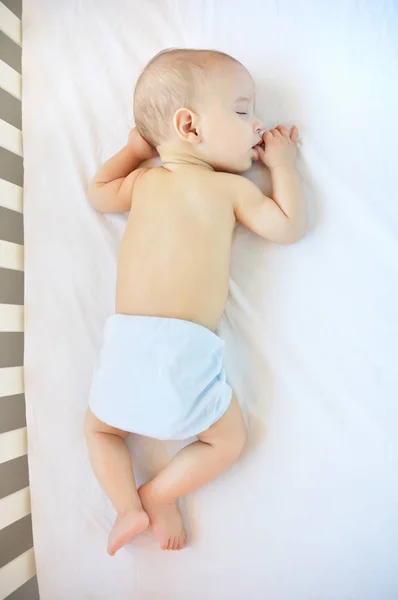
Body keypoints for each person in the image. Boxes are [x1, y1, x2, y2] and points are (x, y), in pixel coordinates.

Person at [84, 48, 306, 555]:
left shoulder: (144, 182)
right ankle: (158, 495)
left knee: (100, 431)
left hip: (125, 345)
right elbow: (289, 226)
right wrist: (284, 169)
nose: (259, 125)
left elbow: (99, 192)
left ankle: (125, 508)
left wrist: (132, 152)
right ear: (189, 126)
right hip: (183, 351)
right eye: (244, 110)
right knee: (227, 442)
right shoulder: (229, 190)